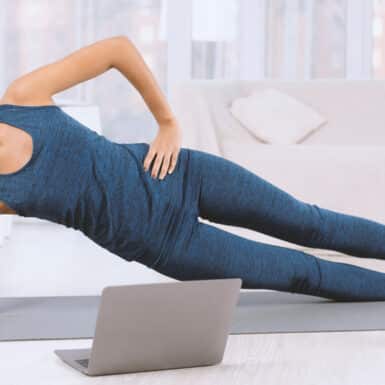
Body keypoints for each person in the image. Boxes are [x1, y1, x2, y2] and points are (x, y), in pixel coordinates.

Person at [1, 36, 385, 302]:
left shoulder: (23, 97)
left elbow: (116, 49)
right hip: (169, 245)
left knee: (310, 223)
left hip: (181, 175)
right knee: (303, 273)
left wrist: (167, 122)